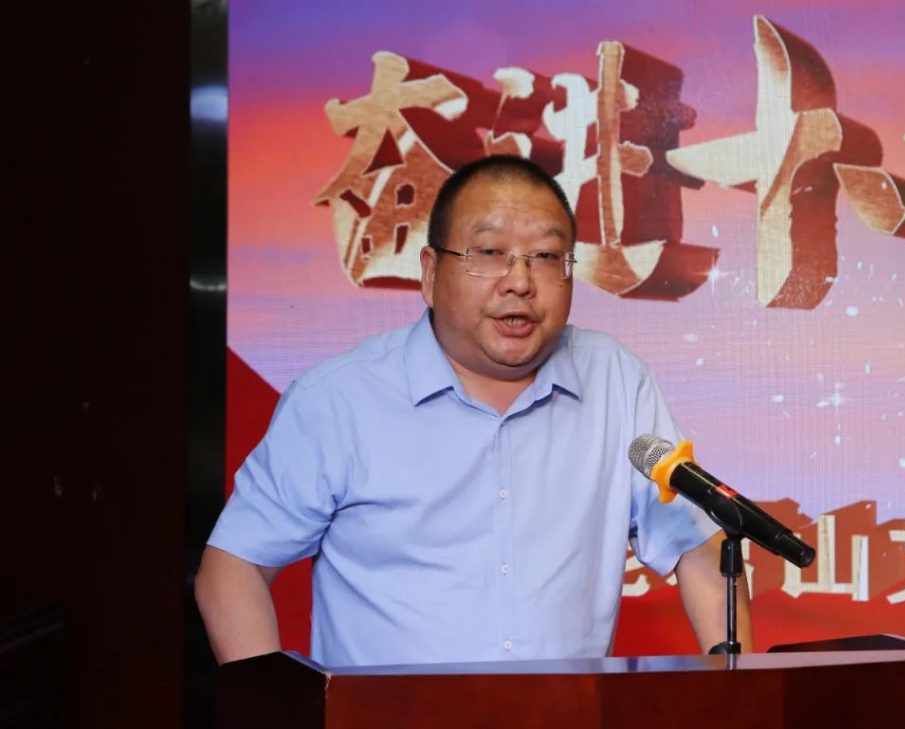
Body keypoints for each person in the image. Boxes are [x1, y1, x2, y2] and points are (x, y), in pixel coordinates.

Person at [195, 155, 752, 667]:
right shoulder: (339, 400)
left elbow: (701, 549)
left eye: (546, 257)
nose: (520, 282)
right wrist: (271, 706)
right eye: (488, 254)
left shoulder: (615, 382)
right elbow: (234, 565)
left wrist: (742, 698)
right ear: (430, 273)